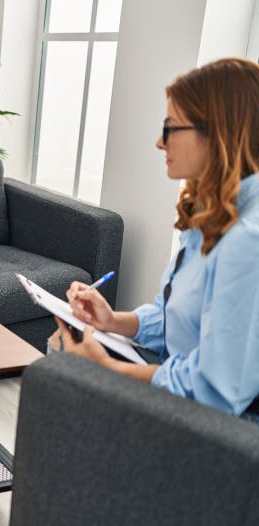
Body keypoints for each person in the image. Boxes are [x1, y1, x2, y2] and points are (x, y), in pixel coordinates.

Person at [50, 58, 259, 422]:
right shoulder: (212, 212)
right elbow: (173, 319)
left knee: (64, 373)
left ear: (217, 132)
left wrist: (109, 371)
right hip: (179, 389)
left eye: (170, 127)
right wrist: (113, 320)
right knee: (60, 351)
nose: (159, 142)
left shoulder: (248, 241)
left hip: (221, 435)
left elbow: (215, 392)